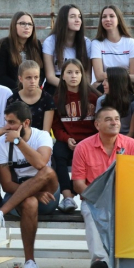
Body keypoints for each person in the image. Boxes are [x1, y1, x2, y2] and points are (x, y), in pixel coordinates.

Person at [0, 102, 60, 268]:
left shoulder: (42, 136)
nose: (6, 127)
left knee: (47, 171)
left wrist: (18, 141)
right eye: (6, 122)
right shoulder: (1, 143)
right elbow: (7, 185)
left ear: (25, 123)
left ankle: (0, 213)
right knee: (30, 202)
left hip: (49, 194)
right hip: (20, 195)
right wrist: (32, 193)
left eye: (11, 123)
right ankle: (30, 263)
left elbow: (41, 164)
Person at [72, 107, 134, 268]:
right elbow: (78, 184)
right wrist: (100, 200)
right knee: (90, 212)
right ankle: (100, 262)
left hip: (125, 199)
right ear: (97, 124)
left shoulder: (132, 146)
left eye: (117, 119)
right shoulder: (83, 147)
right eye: (109, 119)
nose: (114, 122)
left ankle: (130, 261)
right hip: (94, 200)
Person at [52, 59, 98, 213]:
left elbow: (99, 125)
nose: (74, 76)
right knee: (58, 152)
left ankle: (86, 194)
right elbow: (56, 126)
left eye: (77, 72)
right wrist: (67, 139)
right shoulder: (57, 98)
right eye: (69, 72)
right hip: (69, 141)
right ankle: (67, 197)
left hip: (91, 141)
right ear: (62, 76)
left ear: (83, 75)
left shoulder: (94, 97)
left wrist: (87, 143)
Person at [42, 4, 91, 96]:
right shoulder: (50, 41)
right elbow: (50, 77)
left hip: (79, 83)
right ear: (63, 20)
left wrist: (77, 87)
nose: (77, 20)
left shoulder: (86, 42)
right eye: (72, 17)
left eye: (79, 17)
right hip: (57, 84)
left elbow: (87, 76)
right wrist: (70, 87)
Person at [90, 5, 134, 89]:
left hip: (125, 86)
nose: (107, 19)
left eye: (111, 16)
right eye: (104, 17)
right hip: (106, 86)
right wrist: (127, 76)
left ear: (118, 20)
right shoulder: (96, 43)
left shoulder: (131, 42)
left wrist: (108, 76)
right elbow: (99, 76)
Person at [0, 11, 44, 91]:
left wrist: (34, 85)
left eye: (30, 24)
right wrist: (22, 88)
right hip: (11, 90)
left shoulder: (36, 44)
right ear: (14, 25)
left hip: (33, 90)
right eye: (22, 23)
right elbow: (0, 76)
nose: (27, 27)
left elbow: (41, 71)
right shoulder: (3, 45)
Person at [6, 60, 56, 131]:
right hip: (18, 138)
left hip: (41, 139)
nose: (33, 81)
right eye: (28, 78)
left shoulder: (47, 99)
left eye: (36, 77)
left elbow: (46, 132)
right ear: (20, 78)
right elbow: (11, 128)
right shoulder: (12, 100)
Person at [96, 66, 134, 137]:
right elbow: (100, 128)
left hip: (127, 139)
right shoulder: (101, 100)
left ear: (117, 82)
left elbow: (132, 133)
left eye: (107, 80)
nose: (103, 83)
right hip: (106, 138)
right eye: (103, 80)